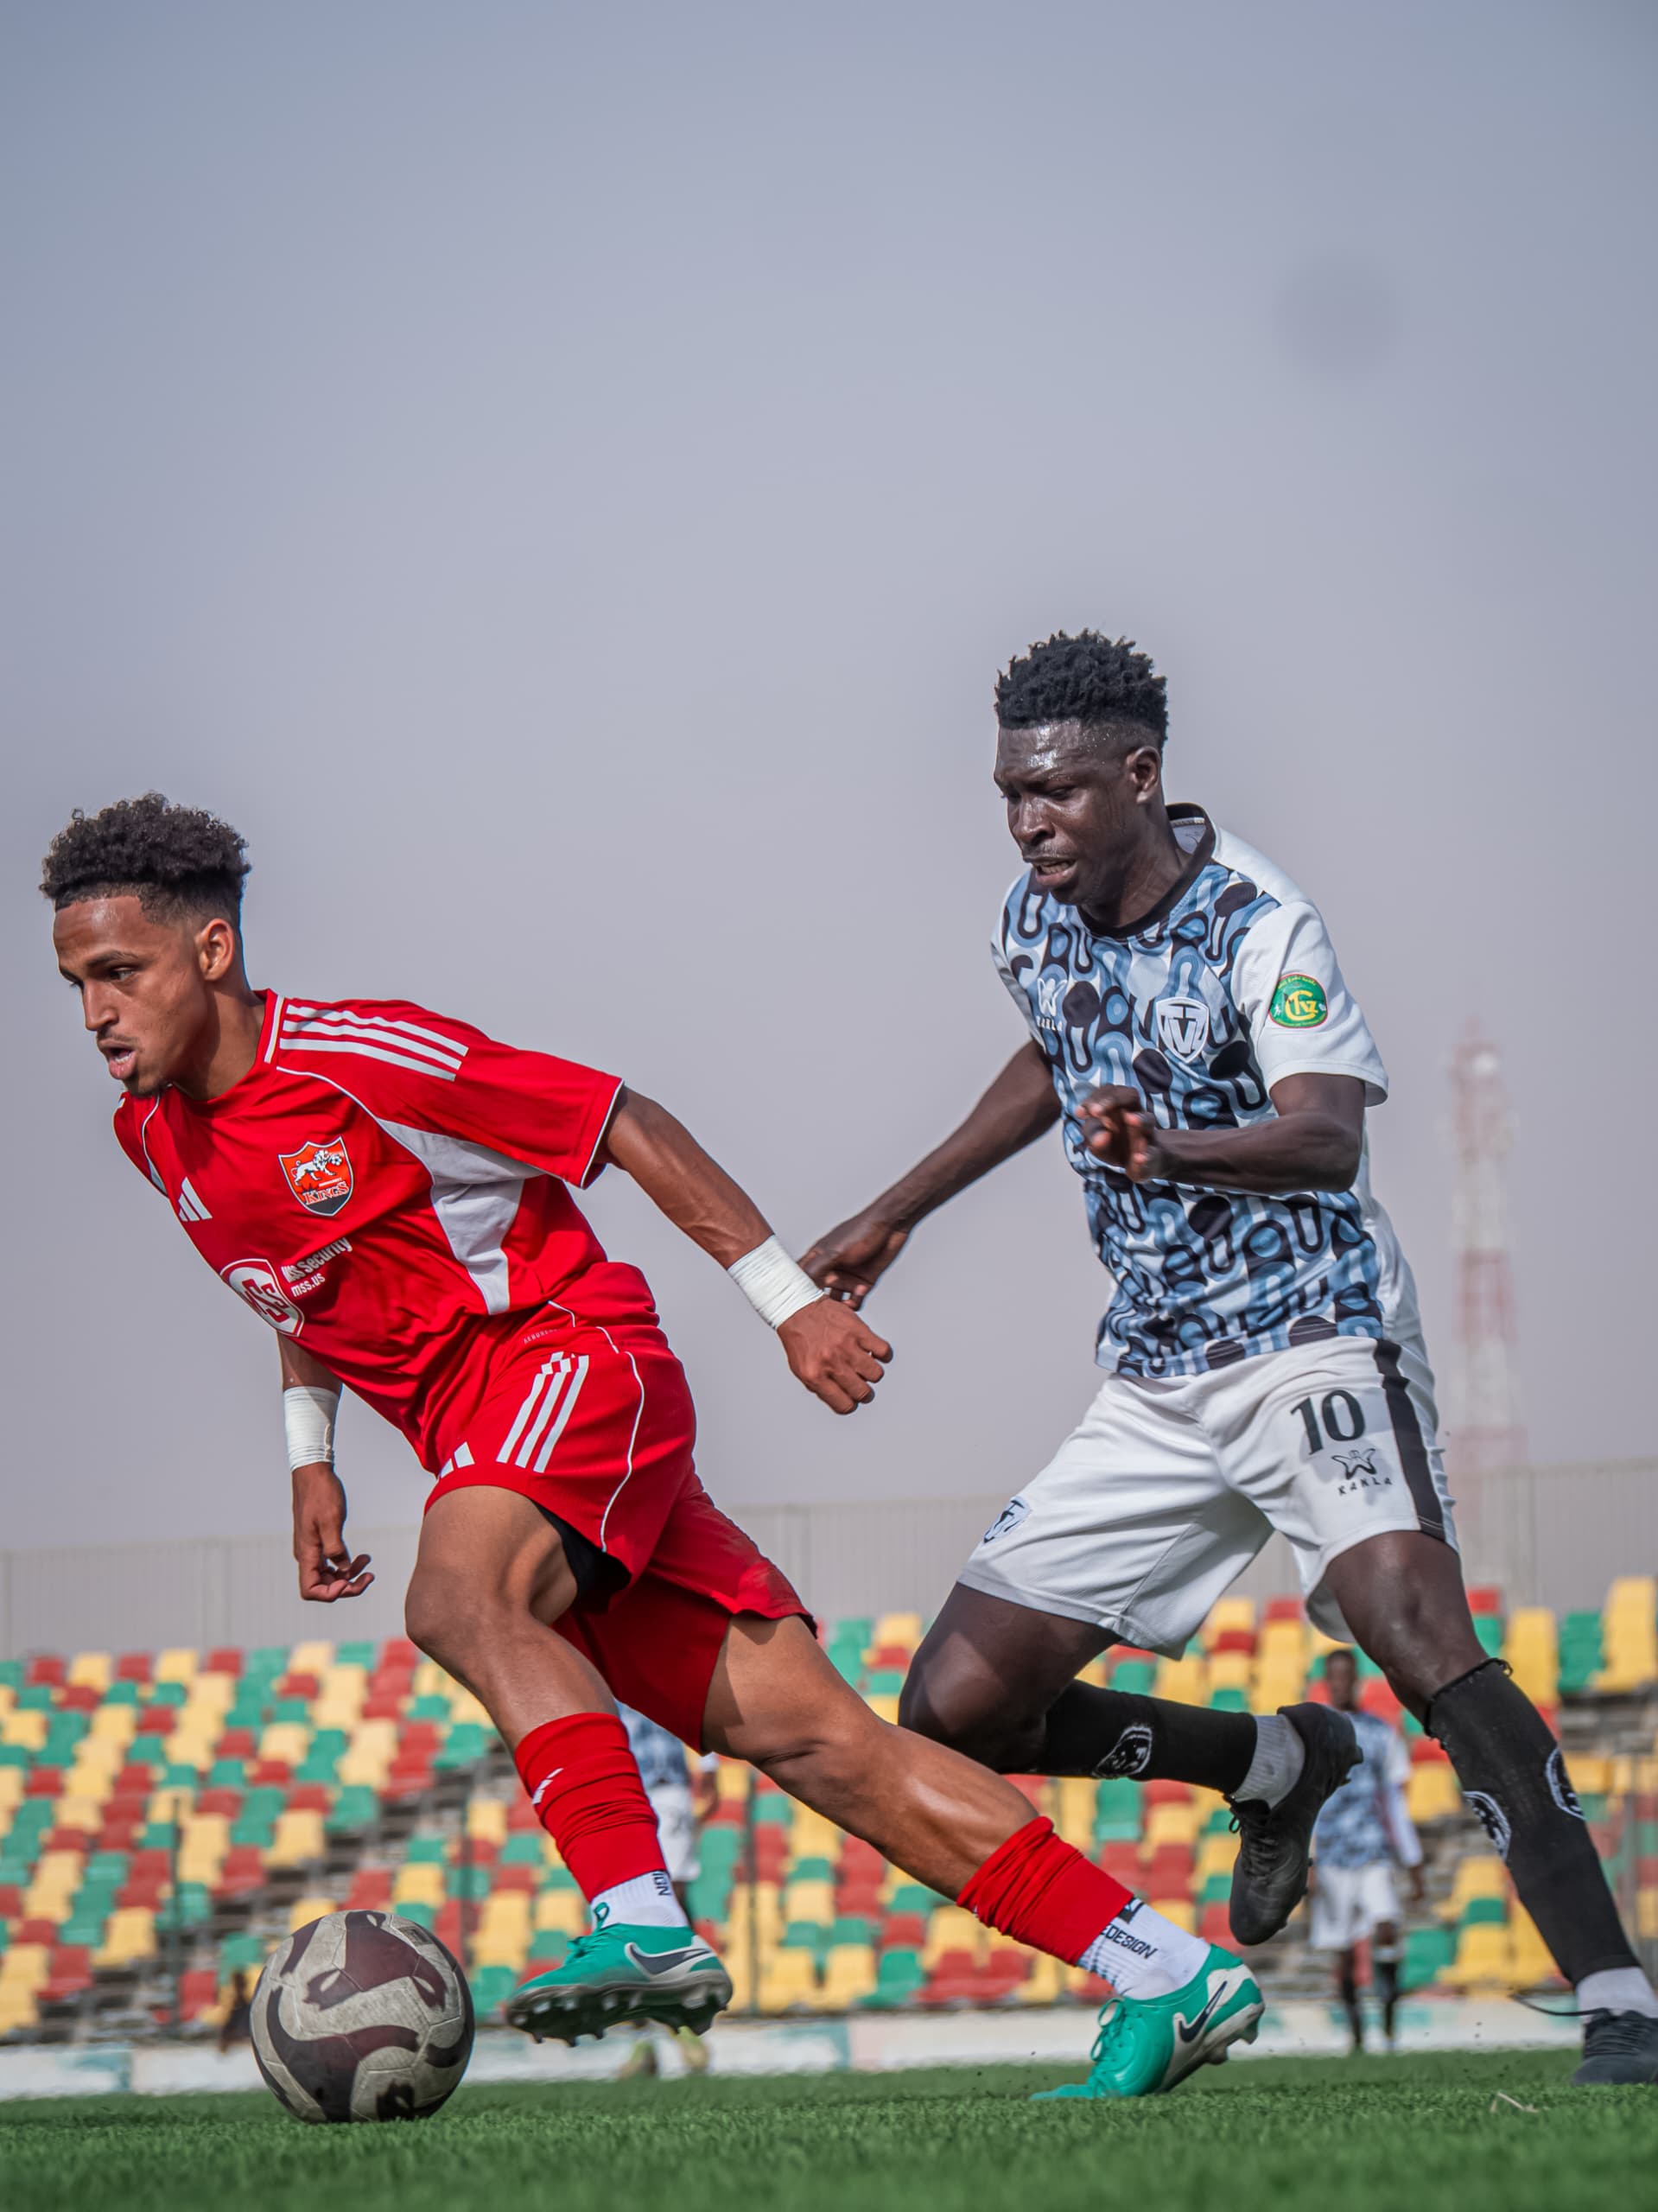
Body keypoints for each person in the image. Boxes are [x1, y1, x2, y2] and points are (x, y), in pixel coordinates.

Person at [43, 792, 1267, 2102]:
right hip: (505, 1448)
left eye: (121, 972)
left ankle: (637, 1914)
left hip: (571, 1365)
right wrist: (310, 1452)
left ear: (213, 950)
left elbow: (621, 1118)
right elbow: (293, 1278)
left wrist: (790, 1307)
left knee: (456, 1598)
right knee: (828, 1749)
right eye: (76, 986)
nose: (97, 1012)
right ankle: (1168, 1972)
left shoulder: (362, 1057)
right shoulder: (152, 1132)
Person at [801, 630, 1658, 2088]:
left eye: (1057, 792)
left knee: (1408, 1626)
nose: (1026, 822)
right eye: (1010, 794)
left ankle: (1615, 1999)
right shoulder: (1031, 918)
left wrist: (1173, 1147)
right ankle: (1273, 1765)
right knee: (953, 1712)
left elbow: (1324, 1134)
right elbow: (1049, 1053)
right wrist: (898, 1209)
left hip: (1309, 1335)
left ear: (1139, 775)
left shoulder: (1259, 922)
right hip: (1155, 1370)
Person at [1306, 1651, 1424, 2054]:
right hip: (1332, 1856)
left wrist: (1412, 1860)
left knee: (1386, 1924)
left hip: (1373, 1850)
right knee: (1341, 1952)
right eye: (1334, 1678)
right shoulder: (1314, 1737)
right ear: (1327, 1682)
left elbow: (1393, 1801)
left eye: (1347, 1677)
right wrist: (1306, 1861)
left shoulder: (1379, 1733)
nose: (1341, 1684)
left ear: (1356, 1680)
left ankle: (1389, 2025)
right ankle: (1356, 2032)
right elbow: (1306, 1803)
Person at [616, 1703, 720, 2077]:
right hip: (620, 1789)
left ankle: (685, 2021)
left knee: (672, 1900)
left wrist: (709, 1766)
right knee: (622, 1907)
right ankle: (641, 2034)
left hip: (667, 1787)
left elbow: (688, 1701)